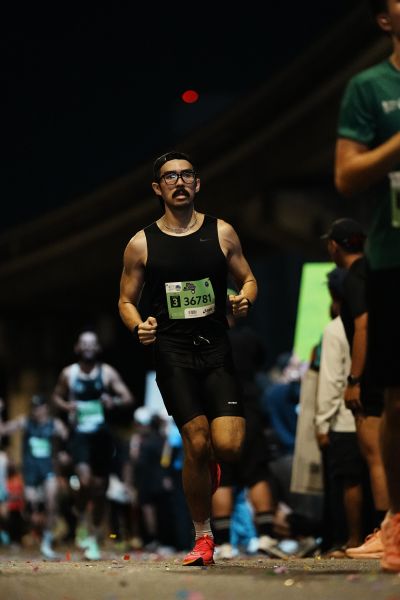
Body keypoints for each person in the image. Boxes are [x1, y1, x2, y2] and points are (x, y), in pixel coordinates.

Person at [118, 150, 257, 566]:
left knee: (228, 446)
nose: (179, 182)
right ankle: (203, 538)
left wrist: (244, 299)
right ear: (157, 188)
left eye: (186, 175)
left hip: (216, 351)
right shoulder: (141, 243)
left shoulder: (222, 232)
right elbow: (125, 301)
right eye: (170, 177)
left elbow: (248, 279)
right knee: (196, 441)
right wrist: (138, 326)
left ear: (197, 183)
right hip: (173, 353)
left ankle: (207, 464)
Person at [335, 0, 400, 572]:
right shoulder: (369, 87)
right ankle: (397, 520)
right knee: (398, 397)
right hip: (395, 260)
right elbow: (347, 174)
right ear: (385, 20)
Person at [322, 218, 388, 558]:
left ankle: (386, 532)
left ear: (335, 246)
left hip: (373, 376)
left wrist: (355, 380)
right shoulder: (376, 270)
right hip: (388, 373)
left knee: (375, 455)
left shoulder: (353, 278)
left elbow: (362, 326)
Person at [52, 330, 134, 560]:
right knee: (85, 481)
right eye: (84, 343)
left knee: (100, 488)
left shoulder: (106, 373)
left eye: (92, 344)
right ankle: (81, 515)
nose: (88, 347)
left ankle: (95, 535)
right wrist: (67, 406)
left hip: (101, 437)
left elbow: (128, 397)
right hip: (79, 435)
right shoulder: (69, 373)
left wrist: (113, 400)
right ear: (77, 348)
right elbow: (56, 397)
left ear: (98, 348)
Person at [315, 268, 365, 557]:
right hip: (374, 415)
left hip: (344, 419)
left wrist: (322, 423)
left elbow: (332, 380)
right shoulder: (373, 320)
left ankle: (354, 540)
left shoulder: (335, 329)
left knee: (350, 481)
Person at [0, 395, 68, 558]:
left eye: (39, 407)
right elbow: (3, 430)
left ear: (46, 408)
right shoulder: (25, 422)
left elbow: (68, 437)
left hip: (47, 470)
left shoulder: (55, 424)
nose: (36, 411)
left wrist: (65, 453)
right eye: (34, 408)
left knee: (51, 499)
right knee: (31, 512)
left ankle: (47, 541)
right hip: (30, 472)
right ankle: (37, 530)